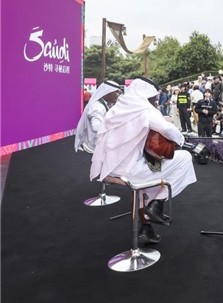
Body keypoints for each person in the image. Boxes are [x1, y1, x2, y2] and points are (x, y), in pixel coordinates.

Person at [90, 77, 197, 245]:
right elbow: (167, 129)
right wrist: (181, 141)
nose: (155, 100)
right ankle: (157, 204)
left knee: (151, 172)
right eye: (154, 96)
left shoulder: (117, 108)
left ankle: (146, 228)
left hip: (110, 170)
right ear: (147, 94)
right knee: (184, 158)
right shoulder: (143, 109)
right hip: (130, 171)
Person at [74, 80, 121, 153]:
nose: (118, 95)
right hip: (94, 148)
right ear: (107, 92)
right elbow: (96, 127)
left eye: (119, 92)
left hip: (100, 146)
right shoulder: (97, 107)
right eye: (116, 92)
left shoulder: (106, 104)